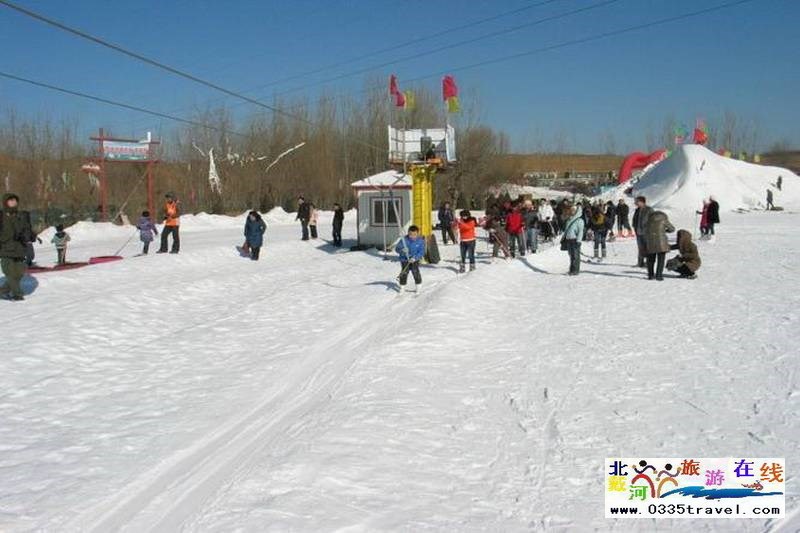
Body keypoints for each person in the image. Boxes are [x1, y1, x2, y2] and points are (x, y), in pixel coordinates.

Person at [0, 193, 34, 301]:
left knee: (19, 272)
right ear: (5, 202)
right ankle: (17, 294)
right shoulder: (1, 216)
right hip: (5, 249)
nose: (13, 202)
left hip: (20, 248)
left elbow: (27, 229)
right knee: (9, 272)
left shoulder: (21, 215)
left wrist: (29, 236)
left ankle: (2, 291)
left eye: (15, 200)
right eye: (10, 200)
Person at [644, 210, 675, 281]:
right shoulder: (664, 220)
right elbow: (672, 229)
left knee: (651, 260)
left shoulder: (649, 220)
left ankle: (651, 275)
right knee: (661, 260)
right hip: (661, 242)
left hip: (651, 242)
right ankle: (659, 275)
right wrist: (664, 231)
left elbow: (645, 229)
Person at [395, 225, 425, 291]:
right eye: (410, 234)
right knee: (404, 272)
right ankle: (402, 287)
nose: (412, 236)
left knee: (415, 271)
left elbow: (421, 252)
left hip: (414, 259)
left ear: (418, 233)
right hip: (404, 259)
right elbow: (397, 249)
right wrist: (402, 250)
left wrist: (415, 258)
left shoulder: (420, 241)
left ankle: (418, 286)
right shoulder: (404, 240)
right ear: (408, 233)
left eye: (414, 234)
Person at [561, 204, 584, 276]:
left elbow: (580, 231)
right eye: (571, 210)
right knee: (571, 255)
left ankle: (575, 270)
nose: (572, 211)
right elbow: (566, 230)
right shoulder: (569, 219)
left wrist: (579, 241)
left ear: (576, 211)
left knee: (576, 256)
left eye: (573, 210)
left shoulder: (579, 220)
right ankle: (571, 269)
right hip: (568, 240)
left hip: (575, 240)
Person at [632, 196, 653, 268]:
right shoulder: (637, 210)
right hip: (638, 232)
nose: (635, 203)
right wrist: (634, 226)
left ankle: (648, 263)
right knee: (640, 248)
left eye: (637, 201)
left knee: (647, 248)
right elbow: (635, 219)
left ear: (642, 202)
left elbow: (653, 220)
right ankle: (640, 263)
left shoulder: (649, 210)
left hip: (646, 232)